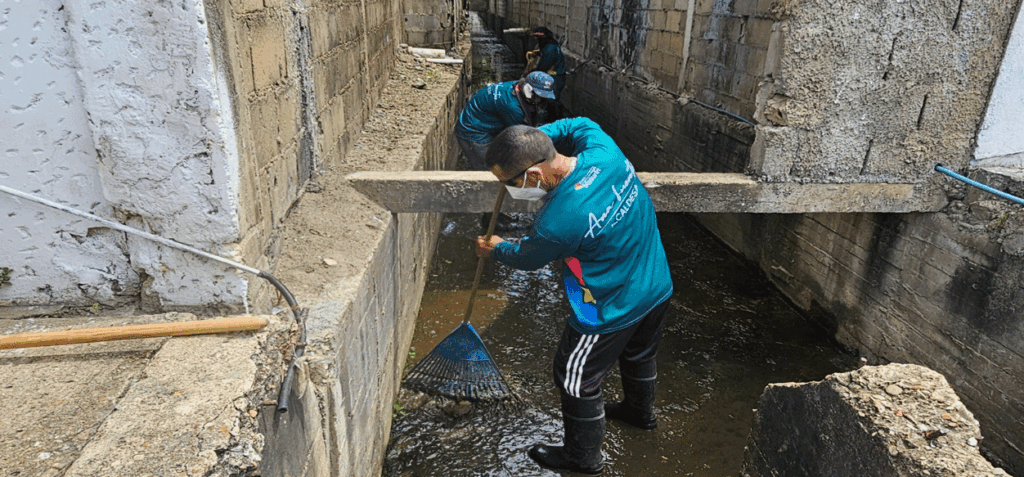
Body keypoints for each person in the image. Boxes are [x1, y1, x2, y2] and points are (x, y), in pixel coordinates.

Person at [474, 118, 673, 474]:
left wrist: (497, 248)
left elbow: (527, 258)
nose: (510, 189)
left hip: (610, 306)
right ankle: (639, 413)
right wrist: (536, 138)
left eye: (511, 183)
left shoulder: (556, 222)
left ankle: (583, 458)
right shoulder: (604, 151)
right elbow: (579, 123)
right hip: (655, 282)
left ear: (534, 175)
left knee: (574, 376)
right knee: (639, 353)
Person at [454, 71, 556, 171]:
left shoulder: (517, 85)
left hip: (479, 119)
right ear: (529, 91)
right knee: (490, 169)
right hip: (473, 131)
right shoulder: (512, 107)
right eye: (540, 98)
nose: (542, 101)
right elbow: (520, 137)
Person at [525, 27, 566, 119]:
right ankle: (551, 117)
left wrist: (531, 74)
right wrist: (538, 53)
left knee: (552, 101)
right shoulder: (551, 45)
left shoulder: (549, 49)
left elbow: (544, 66)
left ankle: (556, 119)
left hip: (555, 78)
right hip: (555, 77)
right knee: (549, 100)